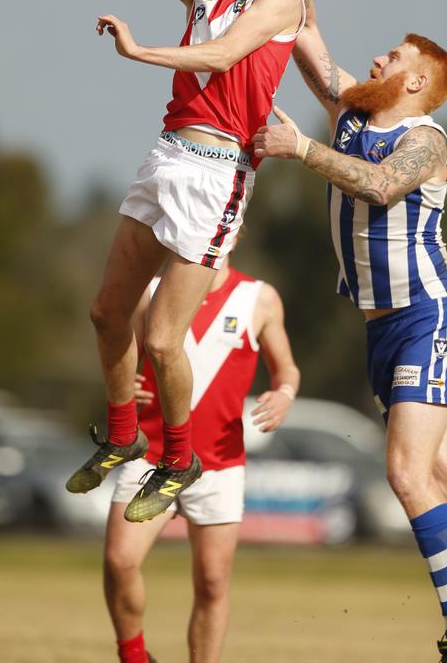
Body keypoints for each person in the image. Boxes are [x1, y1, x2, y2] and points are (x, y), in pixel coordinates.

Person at [46, 0, 305, 522]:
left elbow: (223, 55)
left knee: (163, 336)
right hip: (166, 156)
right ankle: (126, 438)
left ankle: (179, 455)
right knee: (107, 314)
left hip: (217, 177)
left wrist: (138, 51)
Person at [251, 0, 447, 663]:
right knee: (435, 470)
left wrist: (299, 151)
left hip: (427, 315)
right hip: (380, 327)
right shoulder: (354, 112)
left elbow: (378, 186)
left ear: (417, 83)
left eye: (393, 57)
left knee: (404, 471)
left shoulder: (428, 141)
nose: (377, 58)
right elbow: (302, 26)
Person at [105, 250, 299, 663]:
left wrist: (284, 394)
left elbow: (286, 370)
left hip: (219, 464)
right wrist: (127, 386)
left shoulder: (259, 298)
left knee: (212, 583)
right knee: (120, 561)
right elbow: (124, 355)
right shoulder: (153, 291)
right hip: (152, 459)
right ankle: (134, 655)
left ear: (233, 228)